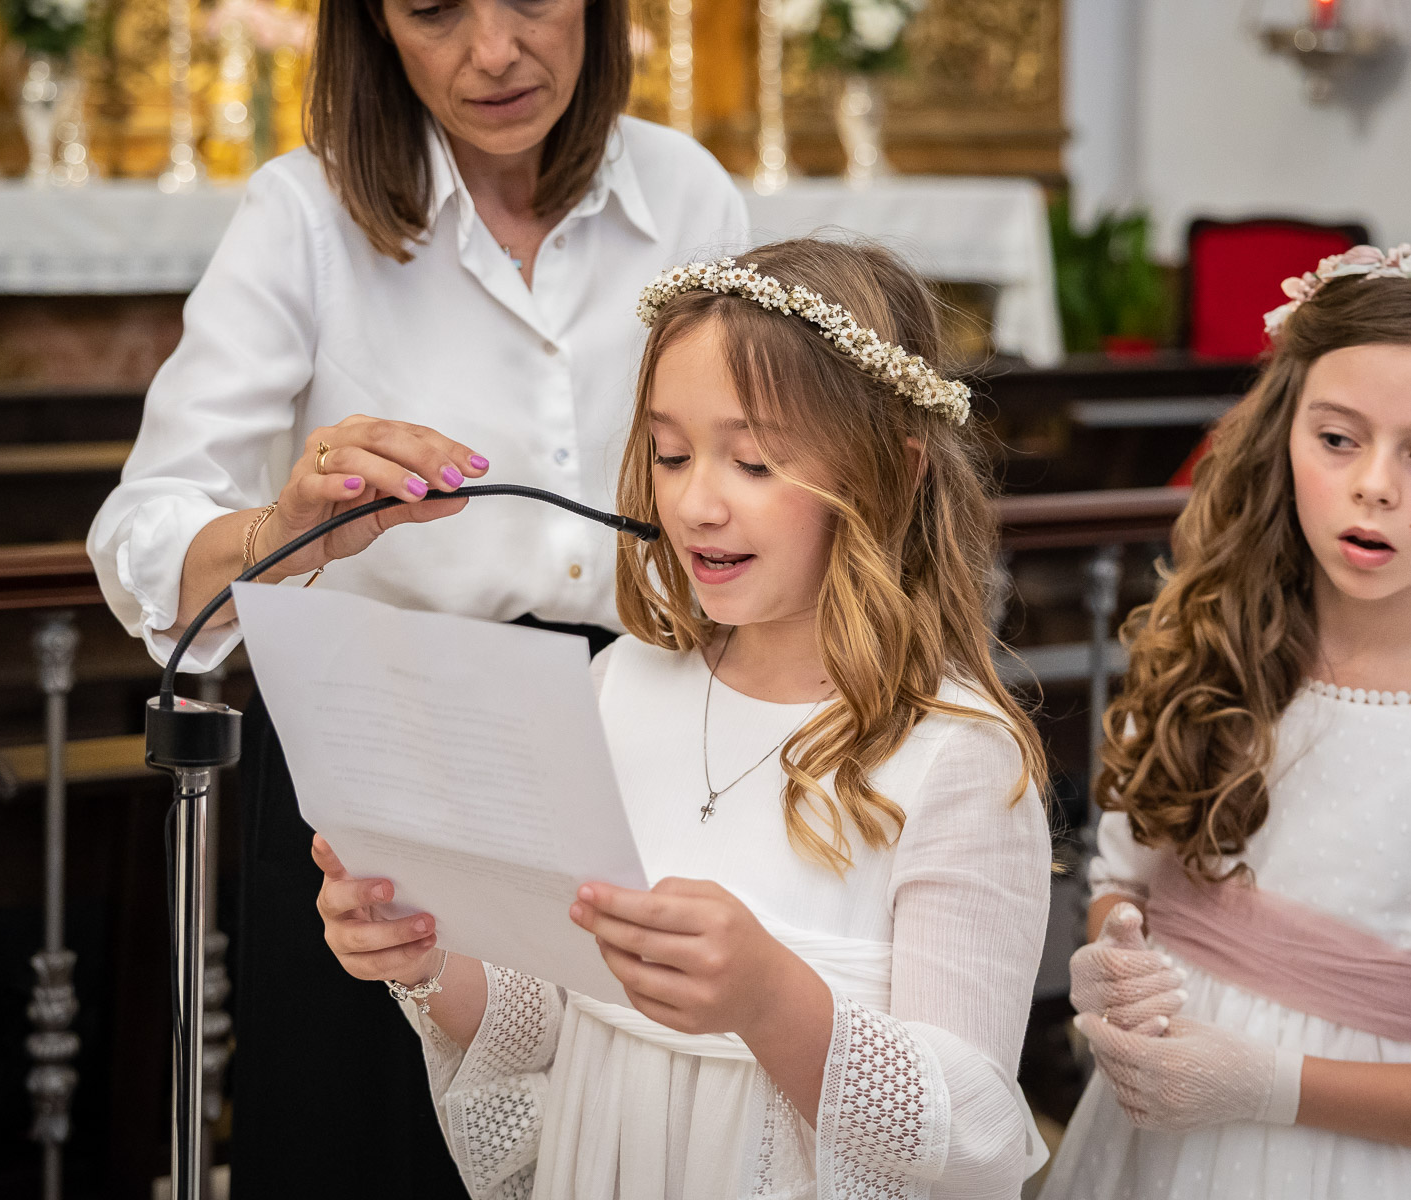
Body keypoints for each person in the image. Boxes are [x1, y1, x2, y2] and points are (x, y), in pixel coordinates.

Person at [86, 0, 747, 1190]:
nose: (494, 52)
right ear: (371, 27)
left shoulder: (688, 195)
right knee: (369, 1139)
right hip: (388, 762)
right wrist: (283, 529)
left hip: (641, 747)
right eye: (436, 8)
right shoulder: (304, 213)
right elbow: (140, 528)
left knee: (619, 1128)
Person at [310, 238, 1055, 1197]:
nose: (695, 501)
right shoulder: (621, 686)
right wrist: (425, 956)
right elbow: (558, 1015)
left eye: (751, 461)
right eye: (670, 453)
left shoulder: (956, 760)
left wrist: (768, 997)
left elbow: (982, 1135)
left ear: (892, 473)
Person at [1041, 244, 1411, 1198]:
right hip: (1150, 1152)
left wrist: (1271, 1084)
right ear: (1289, 437)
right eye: (1337, 439)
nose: (1374, 485)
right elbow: (1126, 879)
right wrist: (1115, 949)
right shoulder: (1216, 650)